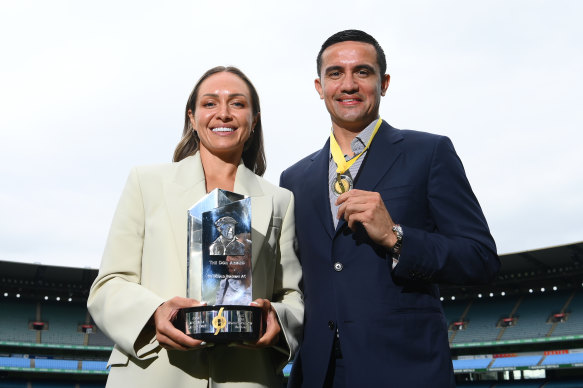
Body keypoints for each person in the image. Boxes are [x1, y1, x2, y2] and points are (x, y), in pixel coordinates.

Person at [279, 29, 500, 387]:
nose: (348, 84)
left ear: (383, 83)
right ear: (319, 87)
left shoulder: (429, 153)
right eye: (335, 73)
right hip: (318, 374)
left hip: (403, 369)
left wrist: (397, 238)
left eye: (362, 72)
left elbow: (481, 259)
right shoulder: (294, 178)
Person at [88, 66, 303, 387]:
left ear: (254, 119)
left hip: (245, 376)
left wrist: (277, 318)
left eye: (238, 104)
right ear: (192, 117)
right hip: (154, 374)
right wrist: (155, 312)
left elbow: (292, 295)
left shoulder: (279, 200)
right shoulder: (146, 183)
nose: (224, 114)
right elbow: (108, 285)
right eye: (210, 103)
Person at [216, 234, 252, 305]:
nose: (227, 259)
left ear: (249, 259)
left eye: (233, 255)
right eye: (227, 254)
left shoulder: (258, 288)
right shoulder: (225, 285)